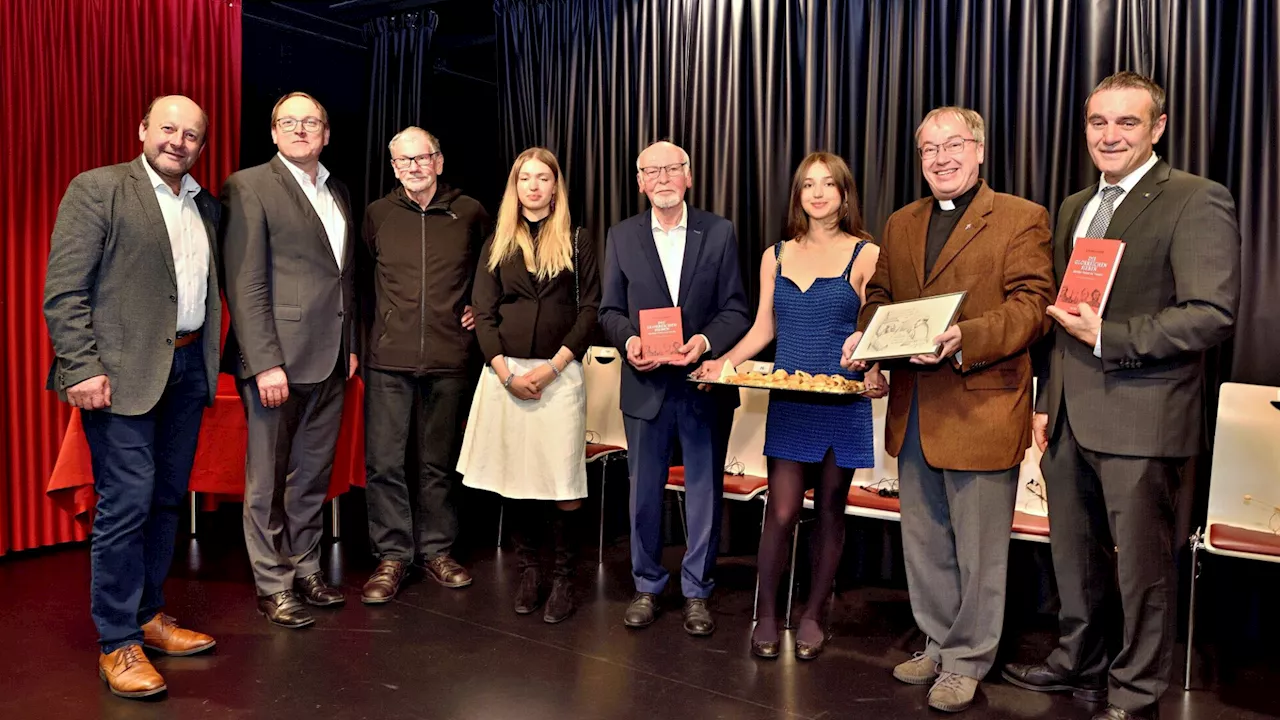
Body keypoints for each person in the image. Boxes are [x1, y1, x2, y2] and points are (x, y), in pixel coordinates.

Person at [1002, 72, 1240, 720]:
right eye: (1098, 122)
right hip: (1073, 415)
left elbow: (1210, 313)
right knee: (1072, 557)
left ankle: (1135, 690)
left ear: (1157, 128)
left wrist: (1113, 336)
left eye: (1127, 122)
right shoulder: (1078, 204)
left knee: (1143, 571)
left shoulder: (1196, 199)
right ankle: (1078, 658)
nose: (1110, 135)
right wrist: (1048, 399)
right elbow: (1063, 315)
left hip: (1146, 415)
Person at [841, 107, 1055, 712]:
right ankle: (937, 641)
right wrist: (868, 339)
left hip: (982, 405)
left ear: (980, 150)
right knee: (926, 542)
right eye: (929, 149)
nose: (941, 158)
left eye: (954, 144)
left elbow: (1034, 306)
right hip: (914, 409)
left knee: (981, 549)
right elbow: (880, 297)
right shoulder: (902, 222)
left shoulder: (1020, 217)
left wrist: (969, 336)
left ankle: (969, 659)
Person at [43, 95, 221, 698]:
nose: (179, 140)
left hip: (189, 367)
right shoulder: (98, 188)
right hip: (118, 376)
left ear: (201, 144)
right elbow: (65, 289)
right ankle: (117, 641)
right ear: (143, 129)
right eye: (168, 128)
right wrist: (81, 367)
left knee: (168, 499)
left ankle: (149, 615)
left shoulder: (205, 204)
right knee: (126, 504)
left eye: (191, 134)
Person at [692, 151, 887, 660]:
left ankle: (815, 614)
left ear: (845, 194)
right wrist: (723, 363)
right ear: (797, 195)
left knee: (829, 511)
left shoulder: (866, 254)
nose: (818, 193)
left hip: (841, 399)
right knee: (779, 511)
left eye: (828, 184)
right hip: (790, 397)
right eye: (808, 185)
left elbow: (877, 329)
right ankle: (767, 614)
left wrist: (875, 369)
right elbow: (763, 328)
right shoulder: (775, 255)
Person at [599, 140, 751, 636]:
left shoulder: (720, 231)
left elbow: (736, 309)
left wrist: (705, 341)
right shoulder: (621, 236)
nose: (662, 177)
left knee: (704, 494)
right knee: (643, 493)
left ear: (689, 176)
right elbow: (609, 311)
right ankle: (646, 584)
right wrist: (630, 340)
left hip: (701, 385)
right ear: (640, 181)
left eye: (672, 168)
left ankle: (697, 591)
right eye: (651, 170)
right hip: (645, 385)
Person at [221, 92, 358, 628]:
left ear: (326, 134)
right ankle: (272, 583)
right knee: (266, 480)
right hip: (277, 363)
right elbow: (246, 280)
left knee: (311, 476)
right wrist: (264, 361)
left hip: (331, 361)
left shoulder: (338, 190)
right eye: (289, 122)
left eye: (311, 122)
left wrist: (349, 348)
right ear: (273, 133)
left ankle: (305, 568)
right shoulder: (249, 185)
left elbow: (342, 278)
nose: (300, 130)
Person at [457, 147, 600, 623]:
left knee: (562, 484)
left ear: (556, 186)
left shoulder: (578, 239)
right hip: (506, 376)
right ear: (514, 187)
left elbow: (589, 311)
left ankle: (563, 580)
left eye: (543, 178)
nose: (534, 186)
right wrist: (504, 371)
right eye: (525, 178)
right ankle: (530, 572)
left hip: (558, 376)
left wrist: (553, 367)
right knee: (515, 481)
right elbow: (483, 310)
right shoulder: (498, 240)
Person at [357, 126, 491, 604]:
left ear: (438, 160)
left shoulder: (470, 211)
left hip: (449, 354)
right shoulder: (377, 215)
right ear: (393, 167)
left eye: (422, 158)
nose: (413, 167)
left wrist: (479, 305)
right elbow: (359, 281)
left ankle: (436, 550)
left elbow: (490, 270)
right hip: (388, 359)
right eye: (403, 161)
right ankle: (392, 556)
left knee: (437, 463)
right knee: (385, 463)